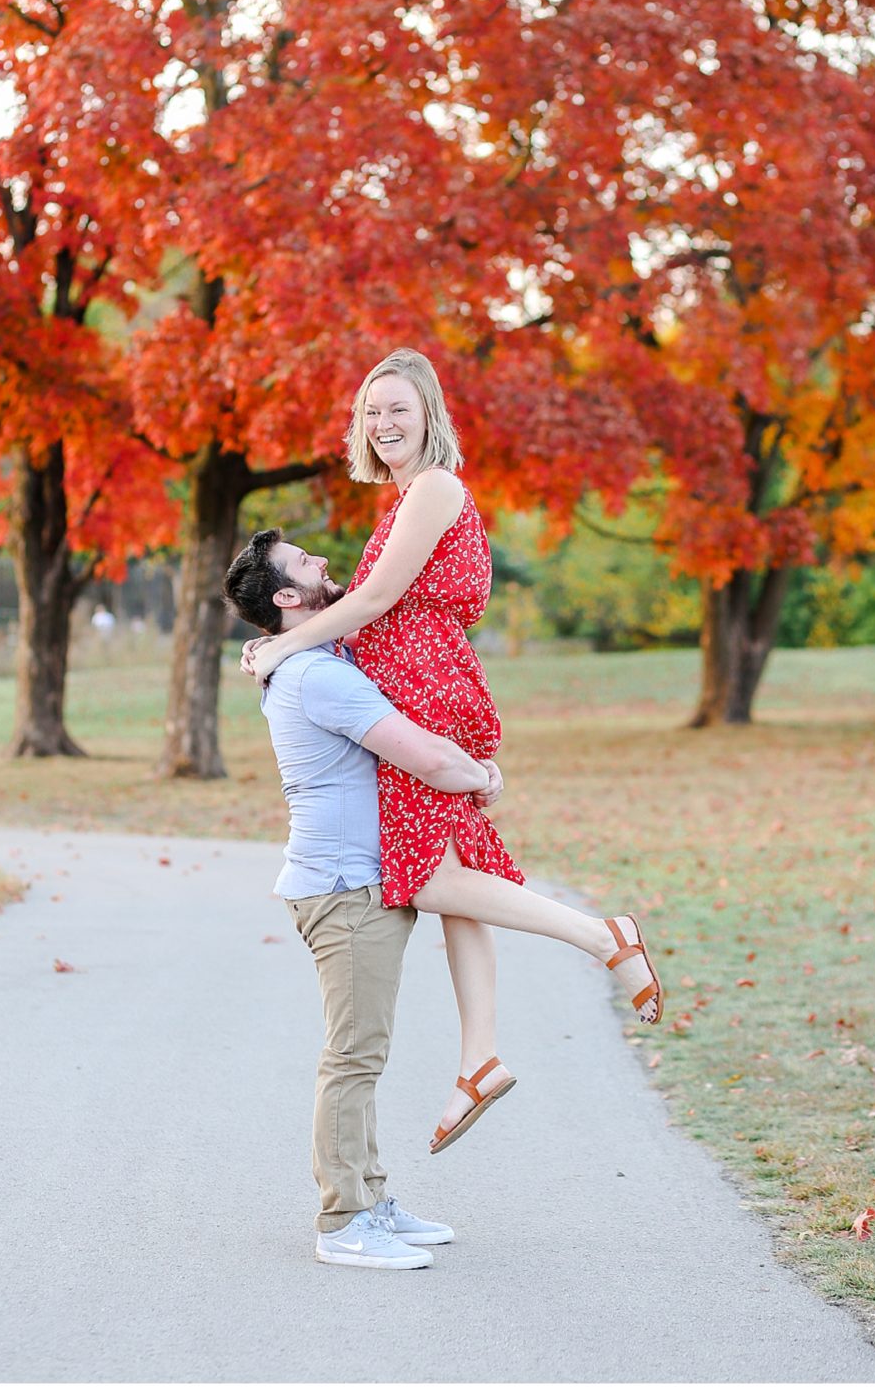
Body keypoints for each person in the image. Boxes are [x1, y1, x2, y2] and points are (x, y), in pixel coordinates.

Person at [244, 349, 663, 1153]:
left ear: (428, 414)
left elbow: (371, 601)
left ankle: (602, 936)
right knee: (453, 879)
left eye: (396, 408)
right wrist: (273, 640)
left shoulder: (433, 488)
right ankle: (479, 1058)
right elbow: (354, 606)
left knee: (433, 880)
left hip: (427, 685)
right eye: (370, 411)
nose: (382, 423)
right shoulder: (404, 499)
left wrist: (279, 654)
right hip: (423, 684)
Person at [223, 528, 504, 1270]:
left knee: (364, 1052)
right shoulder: (320, 676)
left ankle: (371, 1195)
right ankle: (343, 1220)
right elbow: (423, 755)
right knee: (352, 1056)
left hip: (357, 882)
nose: (323, 563)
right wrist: (480, 775)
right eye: (305, 564)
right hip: (345, 889)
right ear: (288, 596)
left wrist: (265, 647)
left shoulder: (316, 656)